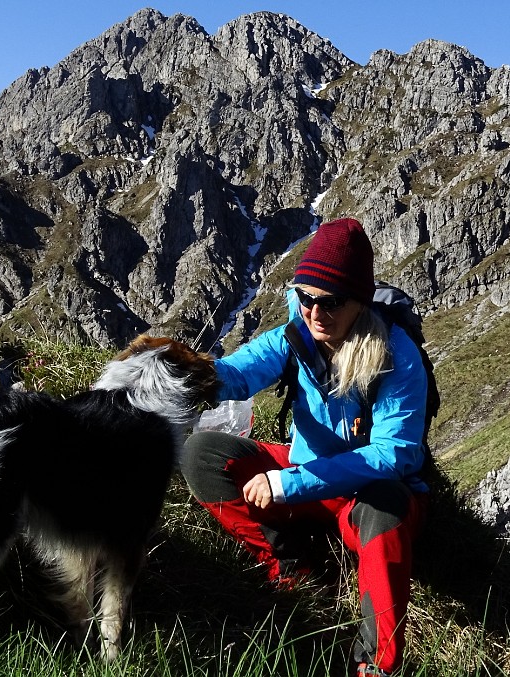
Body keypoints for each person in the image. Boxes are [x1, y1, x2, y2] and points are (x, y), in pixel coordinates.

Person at [181, 218, 430, 677]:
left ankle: (374, 665)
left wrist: (289, 483)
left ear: (360, 301)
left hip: (364, 496)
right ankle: (290, 567)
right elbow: (239, 372)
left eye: (331, 302)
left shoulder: (395, 356)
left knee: (387, 508)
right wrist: (188, 376)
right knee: (202, 454)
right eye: (306, 298)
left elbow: (392, 454)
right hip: (304, 477)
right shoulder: (297, 336)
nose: (316, 312)